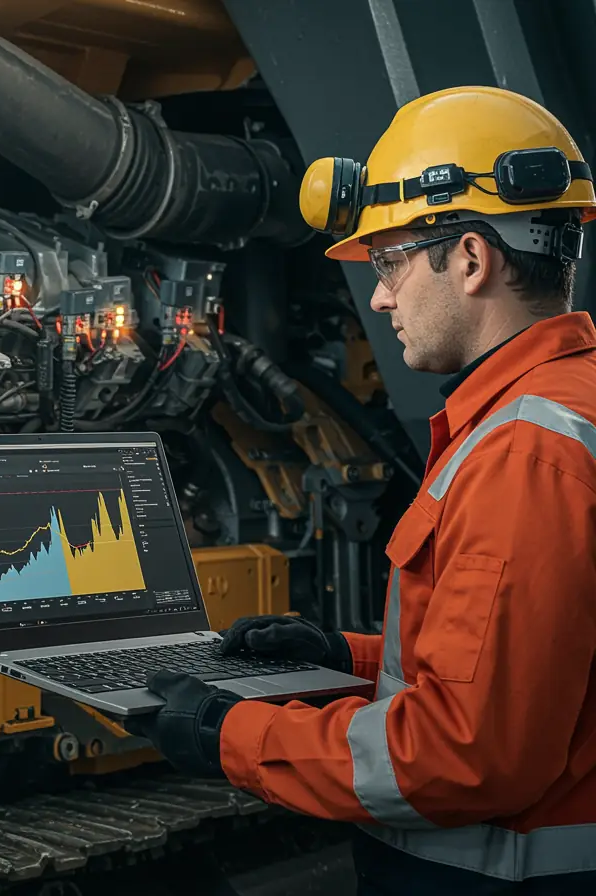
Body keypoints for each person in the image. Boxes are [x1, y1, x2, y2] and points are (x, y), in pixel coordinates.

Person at [130, 85, 596, 894]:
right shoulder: (565, 411)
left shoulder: (525, 452)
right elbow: (529, 663)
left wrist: (227, 733)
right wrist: (344, 658)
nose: (378, 297)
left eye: (389, 263)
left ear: (473, 259)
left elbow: (462, 755)